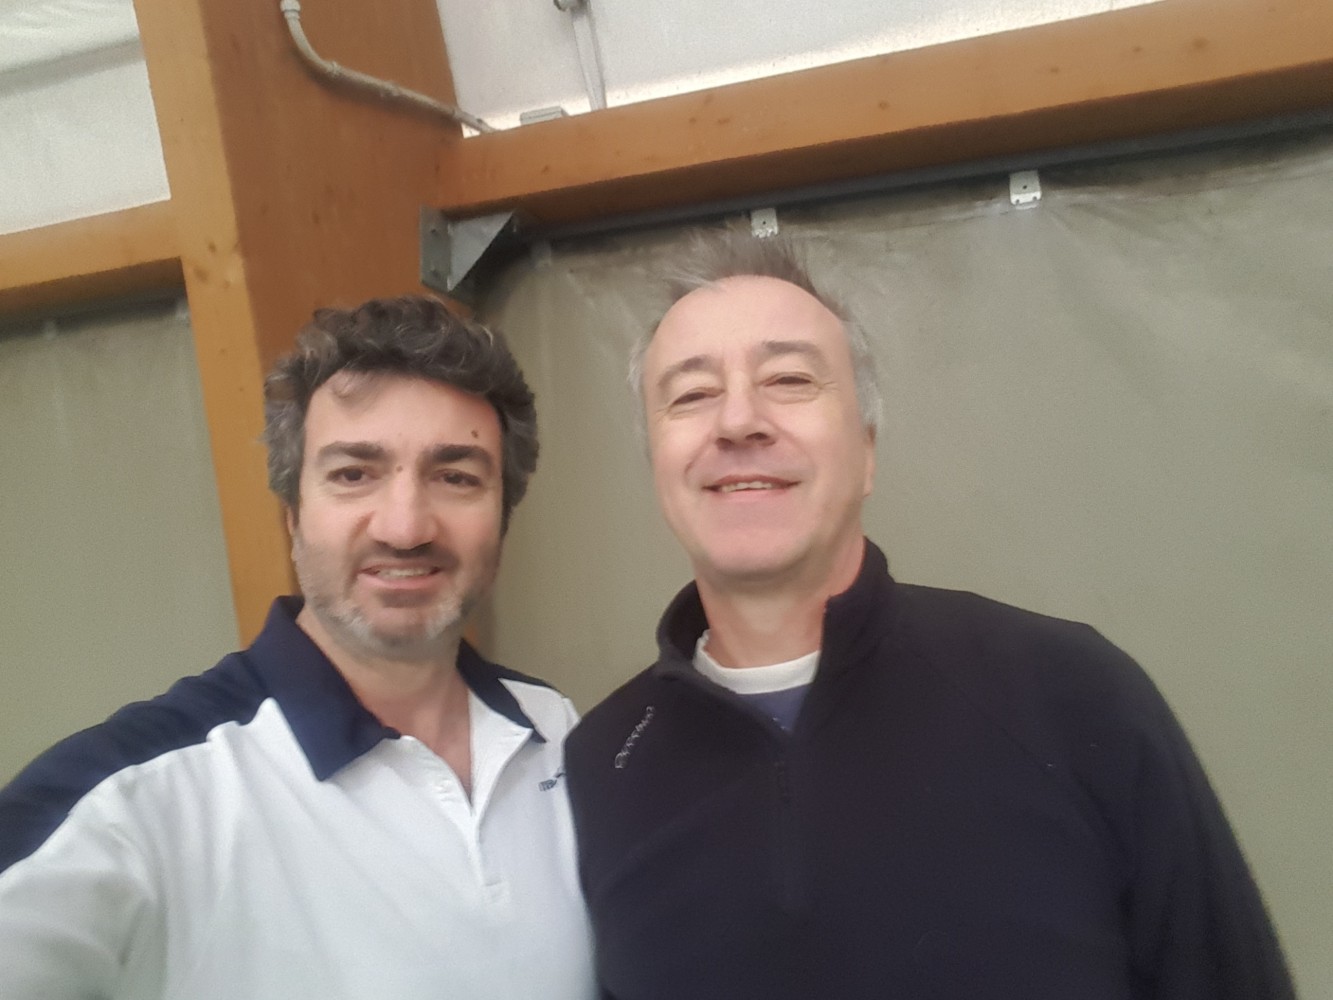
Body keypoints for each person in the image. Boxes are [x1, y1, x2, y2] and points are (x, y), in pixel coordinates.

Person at [563, 233, 1294, 1000]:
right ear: (655, 463)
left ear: (866, 451)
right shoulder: (601, 768)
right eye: (690, 394)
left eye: (787, 379)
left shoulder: (1072, 697)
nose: (738, 420)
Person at [0, 296, 594, 999]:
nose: (405, 527)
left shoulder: (556, 729)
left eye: (456, 477)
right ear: (293, 516)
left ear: (502, 515)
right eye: (353, 474)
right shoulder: (130, 801)